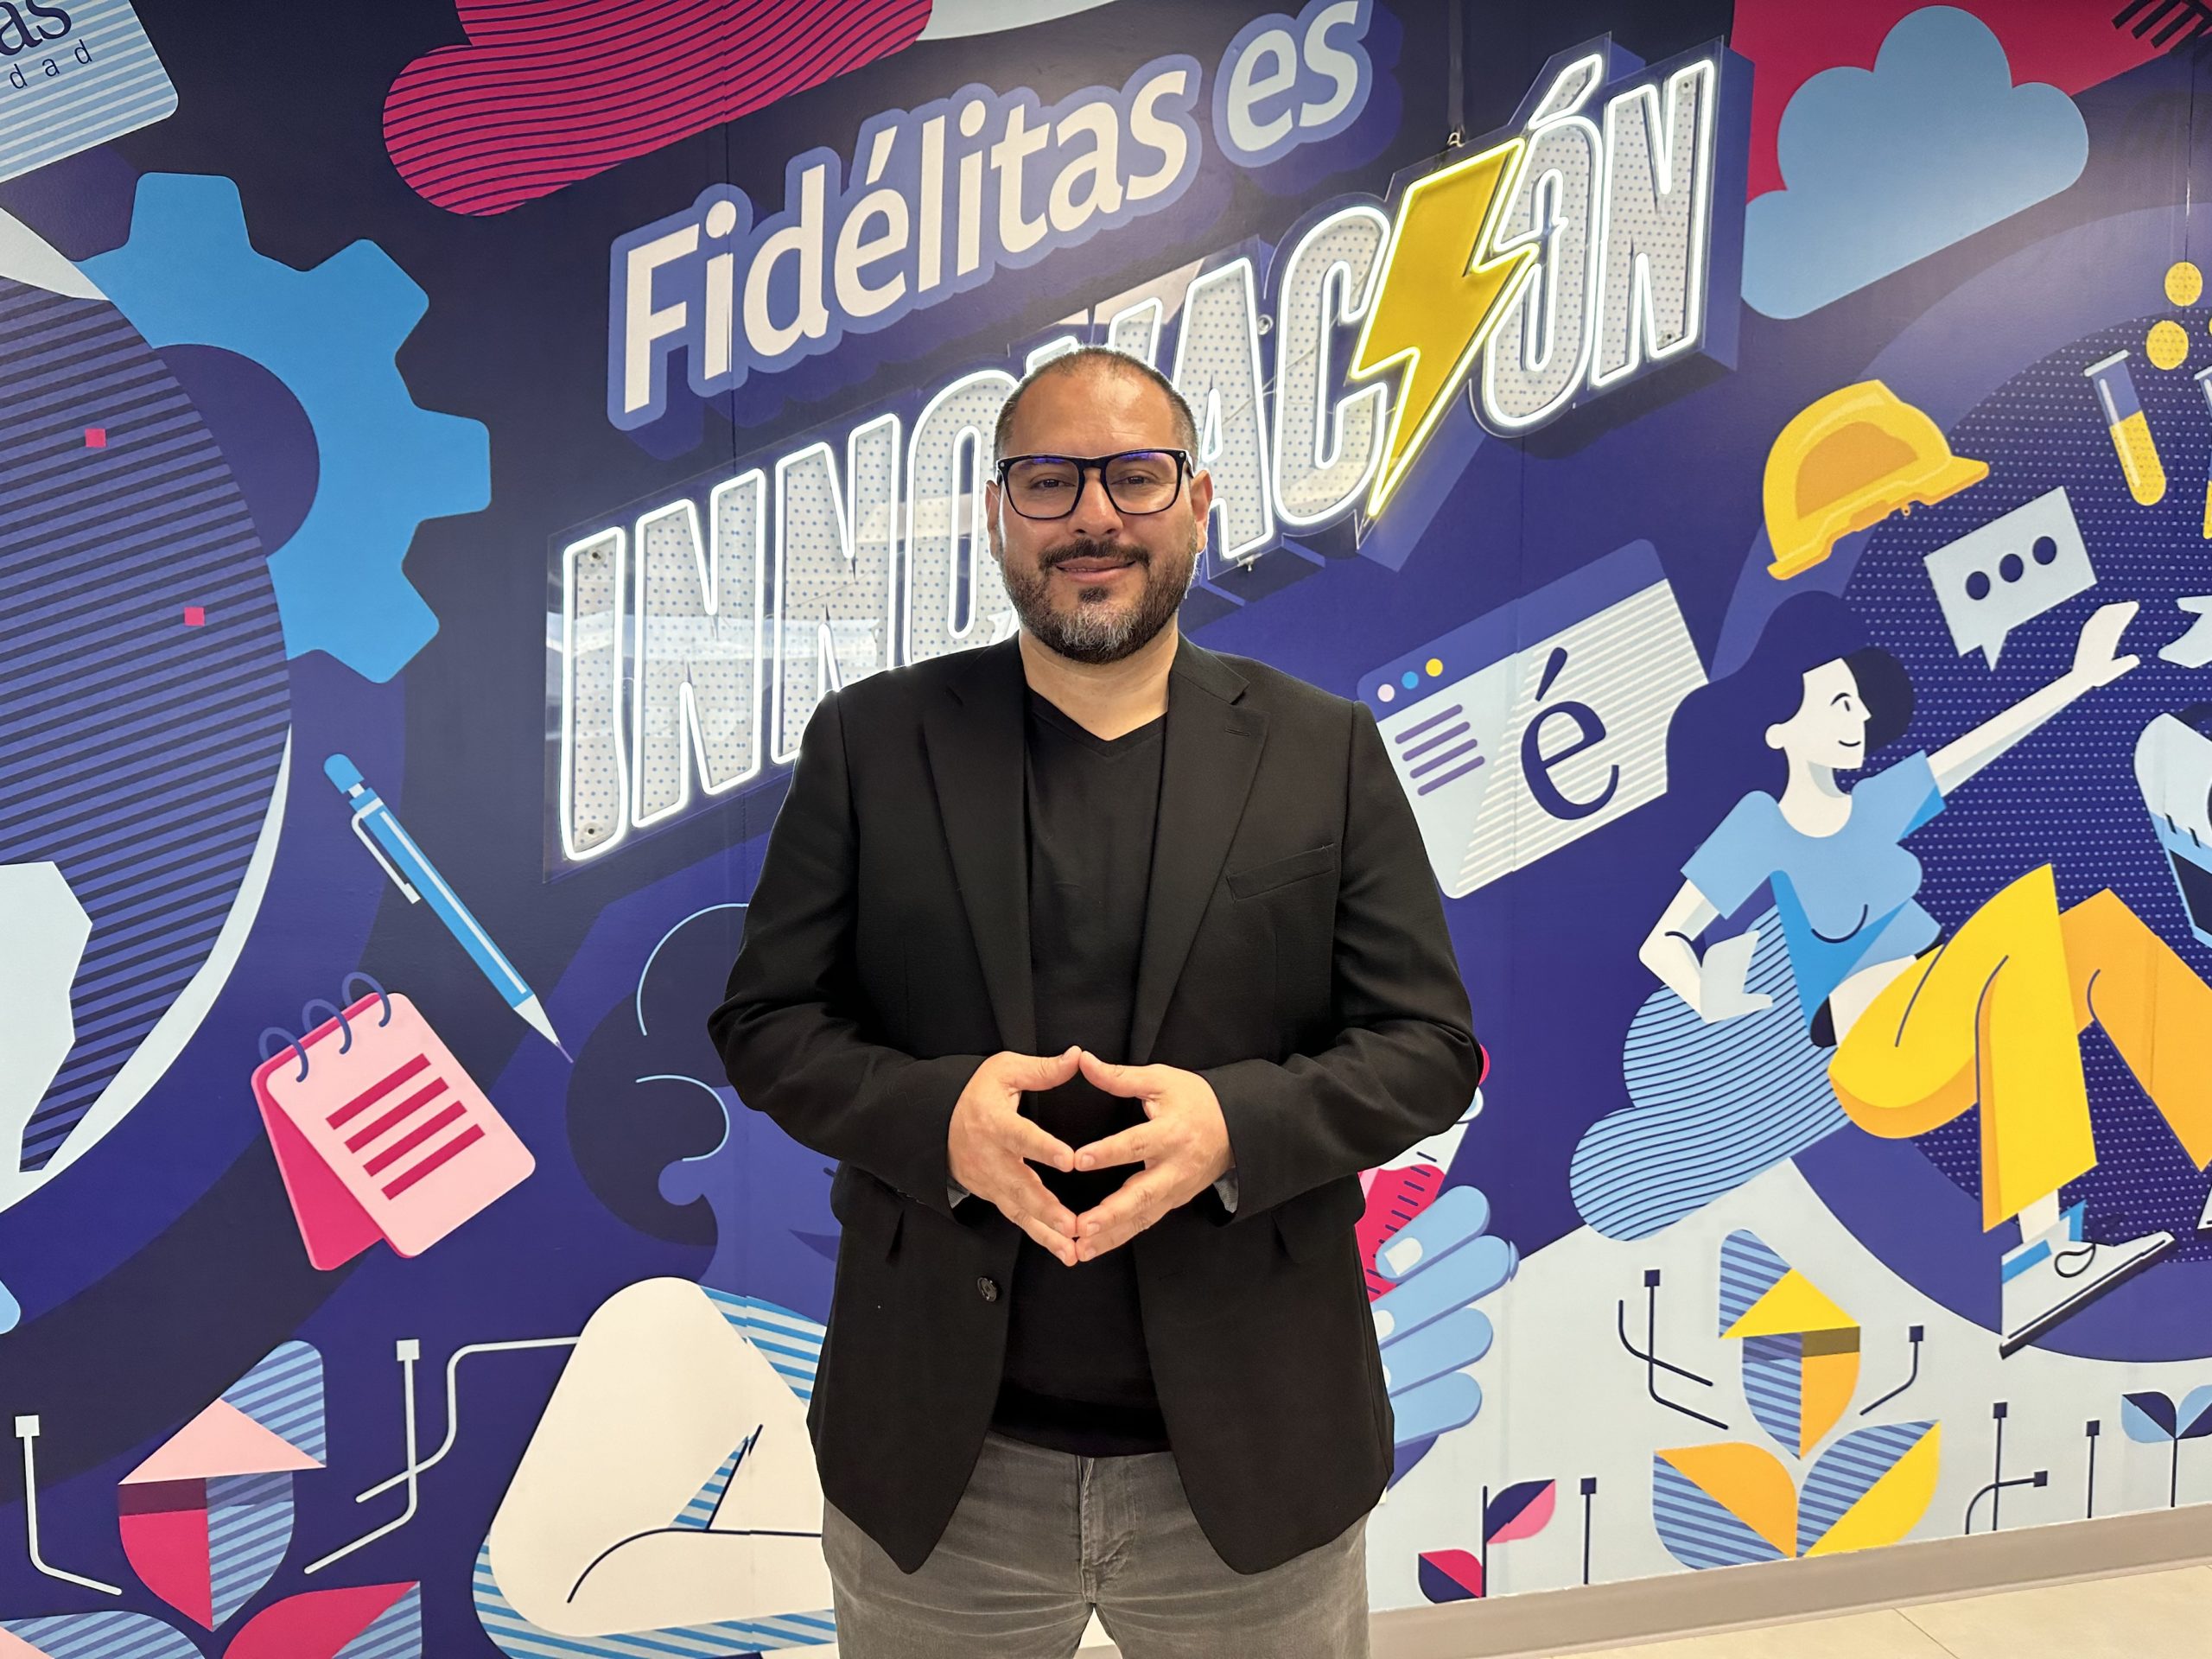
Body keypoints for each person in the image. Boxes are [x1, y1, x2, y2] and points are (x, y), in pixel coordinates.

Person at [709, 346, 1482, 1657]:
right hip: (943, 1464)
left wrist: (1235, 1126)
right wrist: (935, 1118)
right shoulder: (872, 742)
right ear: (997, 514)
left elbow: (1429, 1048)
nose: (1094, 517)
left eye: (1136, 476)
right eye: (1049, 481)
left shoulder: (1323, 750)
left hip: (1253, 1456)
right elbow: (765, 1023)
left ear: (1199, 502)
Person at [1641, 593, 2212, 1357]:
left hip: (1952, 1023)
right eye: (1836, 702)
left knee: (2102, 932)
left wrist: (2080, 678)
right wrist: (1708, 995)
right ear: (1779, 728)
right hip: (1881, 1055)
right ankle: (2043, 1254)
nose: (1857, 718)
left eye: (1857, 701)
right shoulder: (1759, 825)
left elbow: (1981, 745)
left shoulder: (1875, 805)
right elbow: (1663, 941)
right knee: (2022, 920)